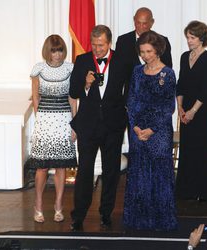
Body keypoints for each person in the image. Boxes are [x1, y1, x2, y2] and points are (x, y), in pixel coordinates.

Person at [69, 25, 127, 231]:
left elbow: (129, 91)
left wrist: (126, 117)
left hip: (113, 126)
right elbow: (73, 91)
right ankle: (78, 215)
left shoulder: (121, 59)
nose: (97, 49)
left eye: (101, 45)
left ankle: (106, 213)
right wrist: (85, 83)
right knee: (84, 171)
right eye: (93, 45)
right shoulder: (83, 60)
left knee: (111, 172)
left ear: (109, 43)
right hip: (88, 125)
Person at [123, 30, 178, 231]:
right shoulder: (137, 71)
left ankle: (161, 221)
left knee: (159, 176)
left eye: (148, 51)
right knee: (139, 175)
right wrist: (136, 127)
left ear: (158, 50)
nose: (145, 55)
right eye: (142, 51)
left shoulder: (168, 74)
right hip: (137, 131)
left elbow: (168, 107)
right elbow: (131, 100)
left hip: (159, 133)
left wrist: (151, 129)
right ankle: (139, 220)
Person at [28, 34, 77, 223]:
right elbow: (35, 98)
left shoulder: (70, 68)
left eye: (60, 50)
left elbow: (73, 98)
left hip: (64, 119)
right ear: (47, 51)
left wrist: (75, 124)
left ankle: (58, 206)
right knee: (42, 167)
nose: (57, 54)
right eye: (53, 50)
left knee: (61, 166)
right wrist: (38, 122)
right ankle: (38, 205)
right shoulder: (38, 69)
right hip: (45, 120)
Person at [175, 20, 207, 202]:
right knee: (187, 149)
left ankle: (204, 192)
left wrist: (192, 111)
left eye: (192, 38)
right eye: (187, 37)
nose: (189, 41)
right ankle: (187, 191)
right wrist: (180, 108)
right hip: (186, 109)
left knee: (202, 149)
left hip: (202, 111)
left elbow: (205, 89)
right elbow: (181, 84)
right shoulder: (185, 57)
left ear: (202, 39)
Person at [115, 7, 172, 97]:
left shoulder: (162, 41)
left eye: (144, 23)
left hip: (155, 97)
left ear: (152, 22)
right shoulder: (123, 41)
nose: (141, 27)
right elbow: (118, 72)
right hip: (131, 99)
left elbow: (167, 70)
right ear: (134, 20)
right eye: (138, 22)